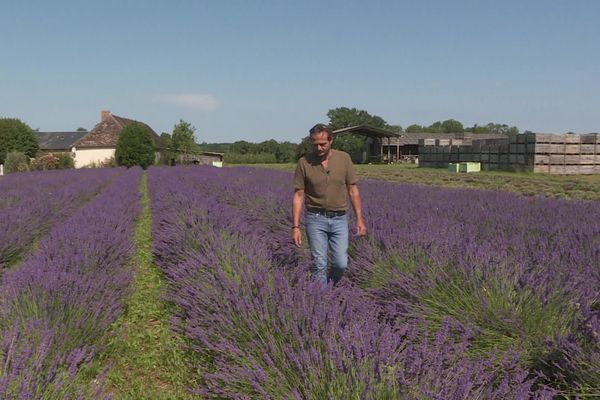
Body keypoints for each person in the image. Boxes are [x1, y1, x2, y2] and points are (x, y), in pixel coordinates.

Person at [292, 123, 367, 285]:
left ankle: (330, 286)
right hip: (315, 218)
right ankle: (322, 301)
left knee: (341, 263)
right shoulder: (304, 163)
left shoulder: (344, 158)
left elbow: (353, 190)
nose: (319, 148)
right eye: (315, 144)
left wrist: (360, 220)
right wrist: (296, 227)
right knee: (319, 264)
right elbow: (298, 195)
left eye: (322, 144)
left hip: (339, 219)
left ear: (331, 141)